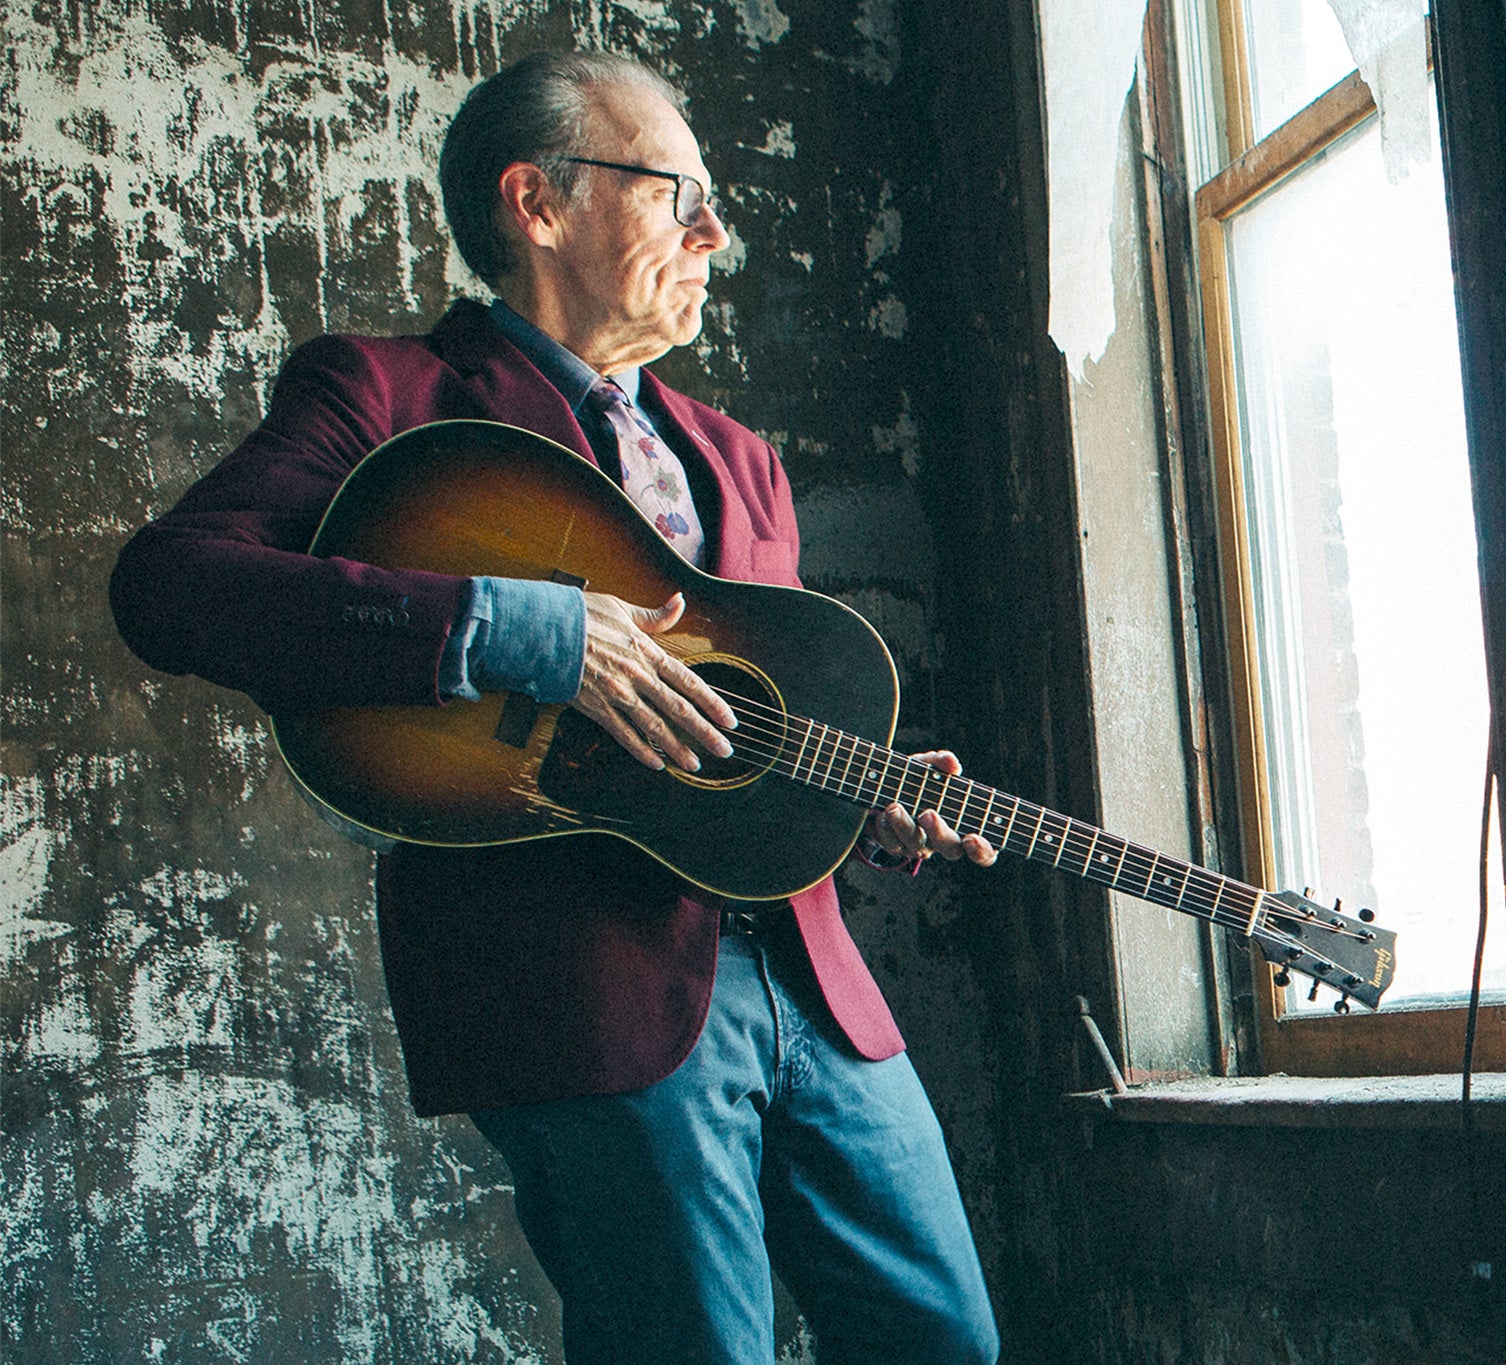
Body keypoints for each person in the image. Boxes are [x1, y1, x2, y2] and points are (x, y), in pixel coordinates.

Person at [110, 50, 1000, 1365]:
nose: (716, 231)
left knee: (945, 1343)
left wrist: (855, 800)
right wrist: (516, 629)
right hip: (591, 987)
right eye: (675, 192)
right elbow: (171, 585)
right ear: (536, 202)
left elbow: (723, 739)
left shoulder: (741, 460)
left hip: (813, 980)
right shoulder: (382, 394)